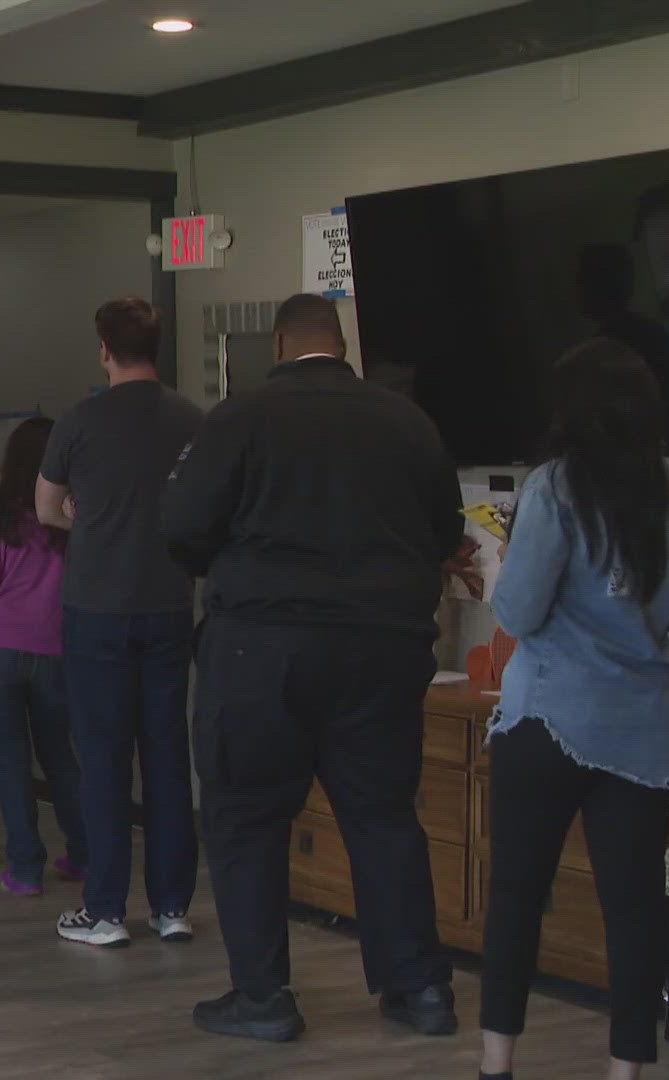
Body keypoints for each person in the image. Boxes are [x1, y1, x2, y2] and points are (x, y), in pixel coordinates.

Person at [160, 293, 462, 1042]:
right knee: (383, 815)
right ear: (341, 344)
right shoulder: (409, 421)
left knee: (246, 816)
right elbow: (445, 531)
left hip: (262, 645)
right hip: (385, 645)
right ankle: (419, 989)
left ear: (280, 346)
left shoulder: (243, 416)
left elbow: (184, 526)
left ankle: (263, 998)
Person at [477, 338, 669, 1080]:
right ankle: (627, 1072)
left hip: (548, 717)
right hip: (645, 731)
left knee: (518, 897)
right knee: (635, 910)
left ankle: (497, 1066)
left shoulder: (556, 487)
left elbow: (518, 611)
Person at [36, 297, 204, 948]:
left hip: (97, 609)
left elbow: (46, 508)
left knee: (103, 760)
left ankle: (105, 910)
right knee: (166, 756)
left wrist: (93, 515)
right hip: (168, 605)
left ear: (104, 348)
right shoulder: (193, 418)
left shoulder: (80, 420)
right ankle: (171, 908)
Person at [0, 416, 89, 897]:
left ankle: (25, 869)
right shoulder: (74, 514)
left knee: (11, 761)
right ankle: (83, 854)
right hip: (57, 647)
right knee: (62, 758)